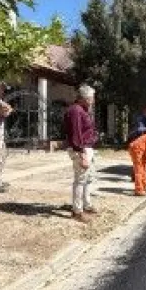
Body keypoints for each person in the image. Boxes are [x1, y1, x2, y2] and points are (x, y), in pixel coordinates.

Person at [64, 84, 99, 222]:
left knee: (88, 178)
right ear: (84, 98)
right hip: (80, 149)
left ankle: (86, 205)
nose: (93, 101)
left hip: (87, 147)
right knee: (80, 180)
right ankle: (77, 211)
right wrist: (81, 153)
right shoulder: (75, 111)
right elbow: (76, 133)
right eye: (92, 98)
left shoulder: (83, 110)